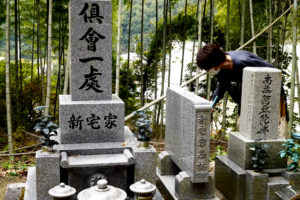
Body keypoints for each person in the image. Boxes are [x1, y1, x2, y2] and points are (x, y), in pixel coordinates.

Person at [196, 44, 288, 129]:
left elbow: (272, 73)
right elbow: (222, 85)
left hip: (269, 98)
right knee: (241, 126)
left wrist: (278, 104)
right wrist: (212, 103)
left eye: (207, 69)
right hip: (247, 102)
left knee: (278, 130)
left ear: (215, 63)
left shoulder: (244, 62)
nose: (207, 71)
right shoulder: (221, 68)